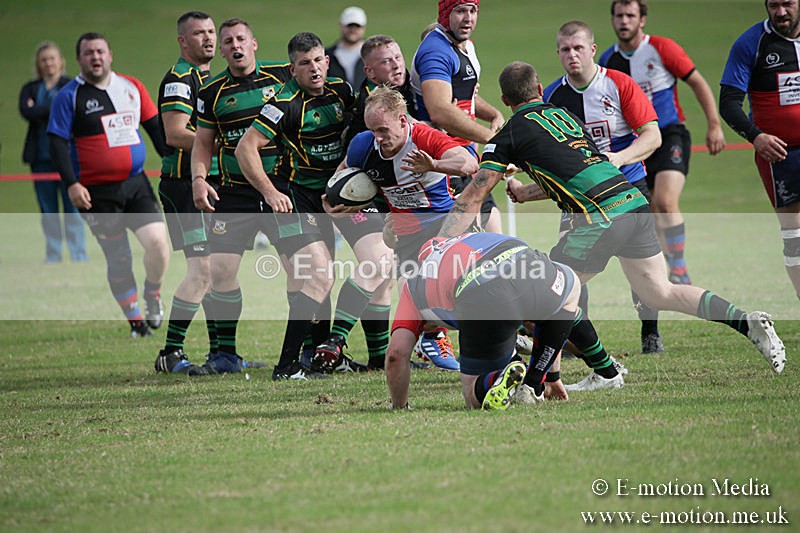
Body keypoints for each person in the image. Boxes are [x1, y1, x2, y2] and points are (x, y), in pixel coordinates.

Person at [435, 61, 786, 390]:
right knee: (659, 292)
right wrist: (525, 193)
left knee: (551, 292)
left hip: (598, 217)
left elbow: (473, 196)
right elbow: (576, 171)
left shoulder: (509, 133)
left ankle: (544, 384)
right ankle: (745, 321)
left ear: (505, 100)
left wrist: (438, 244)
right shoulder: (565, 116)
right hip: (632, 201)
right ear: (540, 89)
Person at [235, 32, 393, 377]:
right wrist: (268, 191)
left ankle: (324, 357)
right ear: (293, 69)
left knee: (379, 261)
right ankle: (288, 366)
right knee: (318, 275)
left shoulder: (342, 91)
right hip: (297, 197)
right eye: (304, 64)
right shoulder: (283, 103)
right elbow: (245, 148)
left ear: (326, 60)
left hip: (341, 194)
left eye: (318, 60)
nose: (314, 68)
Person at [544, 20, 664, 354]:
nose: (572, 55)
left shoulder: (619, 84)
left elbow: (653, 136)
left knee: (640, 271)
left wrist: (619, 158)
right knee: (569, 268)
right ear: (558, 53)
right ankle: (575, 341)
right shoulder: (553, 96)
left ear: (592, 49)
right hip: (581, 199)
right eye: (565, 50)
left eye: (578, 48)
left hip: (629, 188)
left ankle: (650, 333)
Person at [386, 231, 609, 409]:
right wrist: (551, 373)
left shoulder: (413, 284)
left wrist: (399, 405)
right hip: (528, 262)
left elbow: (396, 354)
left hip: (479, 290)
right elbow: (542, 322)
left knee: (471, 393)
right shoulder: (471, 238)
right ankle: (536, 382)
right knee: (569, 294)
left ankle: (499, 376)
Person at [343, 85, 478, 371]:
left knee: (468, 294)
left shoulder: (423, 137)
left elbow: (468, 162)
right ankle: (431, 339)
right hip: (407, 237)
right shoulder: (362, 145)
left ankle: (507, 333)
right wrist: (340, 204)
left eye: (382, 130)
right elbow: (343, 184)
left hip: (448, 227)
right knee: (424, 305)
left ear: (403, 121)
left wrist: (435, 165)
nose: (378, 139)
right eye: (372, 131)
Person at [154, 11, 259, 374]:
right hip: (185, 185)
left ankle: (222, 355)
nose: (210, 39)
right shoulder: (180, 79)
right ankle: (170, 353)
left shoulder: (209, 78)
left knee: (219, 271)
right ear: (183, 41)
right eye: (199, 34)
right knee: (201, 272)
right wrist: (228, 143)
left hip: (212, 187)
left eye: (212, 32)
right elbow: (174, 132)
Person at [47, 32, 169, 338]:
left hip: (135, 184)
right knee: (119, 257)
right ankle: (136, 322)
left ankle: (152, 293)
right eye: (88, 53)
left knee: (158, 243)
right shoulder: (69, 96)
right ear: (79, 60)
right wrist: (72, 184)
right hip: (96, 192)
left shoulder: (131, 87)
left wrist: (178, 166)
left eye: (100, 51)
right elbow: (57, 144)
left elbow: (157, 132)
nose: (95, 57)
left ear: (110, 54)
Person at [192, 18, 296, 375]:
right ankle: (224, 355)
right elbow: (202, 144)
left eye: (241, 39)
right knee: (220, 271)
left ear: (254, 43)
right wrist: (198, 179)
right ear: (221, 50)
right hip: (233, 194)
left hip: (281, 189)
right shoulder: (211, 93)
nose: (235, 45)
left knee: (300, 270)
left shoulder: (283, 78)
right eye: (227, 41)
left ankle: (310, 349)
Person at [599, 0, 726, 285]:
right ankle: (661, 271)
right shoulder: (608, 61)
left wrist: (714, 124)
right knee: (650, 210)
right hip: (634, 144)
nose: (624, 21)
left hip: (669, 134)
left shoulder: (662, 48)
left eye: (630, 15)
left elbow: (698, 82)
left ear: (642, 19)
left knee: (666, 202)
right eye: (619, 15)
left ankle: (679, 269)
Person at [409, 0, 506, 360]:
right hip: (444, 161)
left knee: (491, 242)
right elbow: (441, 110)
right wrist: (489, 138)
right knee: (454, 252)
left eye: (473, 10)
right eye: (460, 11)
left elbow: (464, 97)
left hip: (468, 159)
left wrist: (493, 113)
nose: (468, 18)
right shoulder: (435, 49)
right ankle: (433, 333)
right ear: (444, 13)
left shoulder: (462, 46)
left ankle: (498, 328)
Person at [719, 0, 800, 301]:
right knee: (794, 240)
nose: (780, 13)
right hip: (780, 156)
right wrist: (756, 137)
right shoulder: (752, 43)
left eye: (788, 4)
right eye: (773, 5)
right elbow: (728, 102)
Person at [19, 41, 87, 264]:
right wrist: (56, 106)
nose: (48, 63)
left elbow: (74, 112)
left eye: (52, 58)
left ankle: (78, 254)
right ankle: (53, 254)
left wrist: (40, 109)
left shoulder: (72, 86)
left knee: (72, 208)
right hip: (40, 158)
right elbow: (26, 111)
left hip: (68, 157)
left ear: (61, 62)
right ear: (38, 64)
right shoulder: (30, 88)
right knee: (48, 209)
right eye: (44, 59)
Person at [344, 34, 415, 147]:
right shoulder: (375, 101)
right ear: (370, 72)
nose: (397, 65)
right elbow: (414, 128)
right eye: (386, 61)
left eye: (398, 57)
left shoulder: (406, 80)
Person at [326, 6, 367, 89]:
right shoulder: (327, 55)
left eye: (357, 26)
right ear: (341, 26)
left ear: (364, 28)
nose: (353, 30)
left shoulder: (372, 55)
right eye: (349, 26)